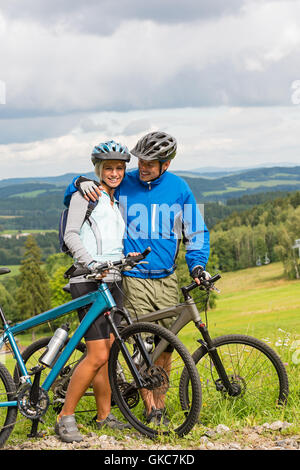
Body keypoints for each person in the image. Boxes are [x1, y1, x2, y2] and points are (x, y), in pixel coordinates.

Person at [64, 131, 210, 424]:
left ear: (166, 164)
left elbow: (196, 232)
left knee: (164, 347)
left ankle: (160, 402)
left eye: (152, 163)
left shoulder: (180, 189)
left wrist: (196, 266)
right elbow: (83, 193)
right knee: (142, 346)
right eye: (141, 160)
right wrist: (77, 183)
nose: (143, 167)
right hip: (132, 277)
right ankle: (151, 410)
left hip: (166, 278)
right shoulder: (125, 181)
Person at [56, 140, 135, 443]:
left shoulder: (114, 201)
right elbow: (71, 235)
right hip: (88, 280)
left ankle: (104, 416)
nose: (114, 172)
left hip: (112, 280)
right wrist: (90, 263)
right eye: (108, 167)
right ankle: (65, 416)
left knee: (106, 353)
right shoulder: (85, 194)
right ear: (98, 169)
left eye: (119, 167)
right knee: (98, 352)